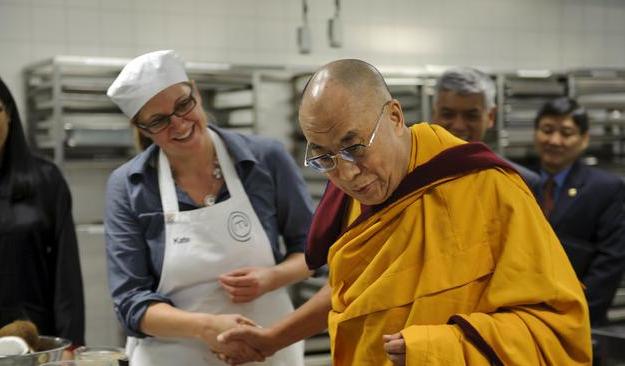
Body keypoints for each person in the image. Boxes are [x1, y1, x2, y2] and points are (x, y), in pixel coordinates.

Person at [218, 59, 592, 365]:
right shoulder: (355, 195)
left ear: (395, 117)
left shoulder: (488, 188)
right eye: (324, 156)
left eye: (355, 147)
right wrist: (271, 340)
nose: (346, 174)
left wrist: (436, 348)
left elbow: (556, 329)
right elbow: (354, 294)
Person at [104, 50, 313, 366]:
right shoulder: (129, 185)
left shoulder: (265, 159)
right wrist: (207, 327)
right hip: (173, 354)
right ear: (142, 128)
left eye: (183, 105)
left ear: (196, 92)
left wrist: (271, 278)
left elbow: (314, 252)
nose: (179, 125)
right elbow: (131, 304)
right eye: (159, 121)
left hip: (267, 349)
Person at [0, 68, 85, 347]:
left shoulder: (46, 180)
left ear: (8, 112)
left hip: (35, 343)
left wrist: (70, 346)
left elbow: (66, 274)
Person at [532, 96, 625, 326]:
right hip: (519, 318)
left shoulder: (605, 188)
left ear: (584, 139)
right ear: (536, 133)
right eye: (547, 130)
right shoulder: (517, 178)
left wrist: (572, 316)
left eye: (566, 133)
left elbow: (610, 261)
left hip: (578, 321)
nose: (554, 140)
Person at [431, 67, 540, 187]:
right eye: (448, 114)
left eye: (471, 116)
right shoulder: (412, 174)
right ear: (433, 114)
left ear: (491, 116)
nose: (459, 126)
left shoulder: (519, 182)